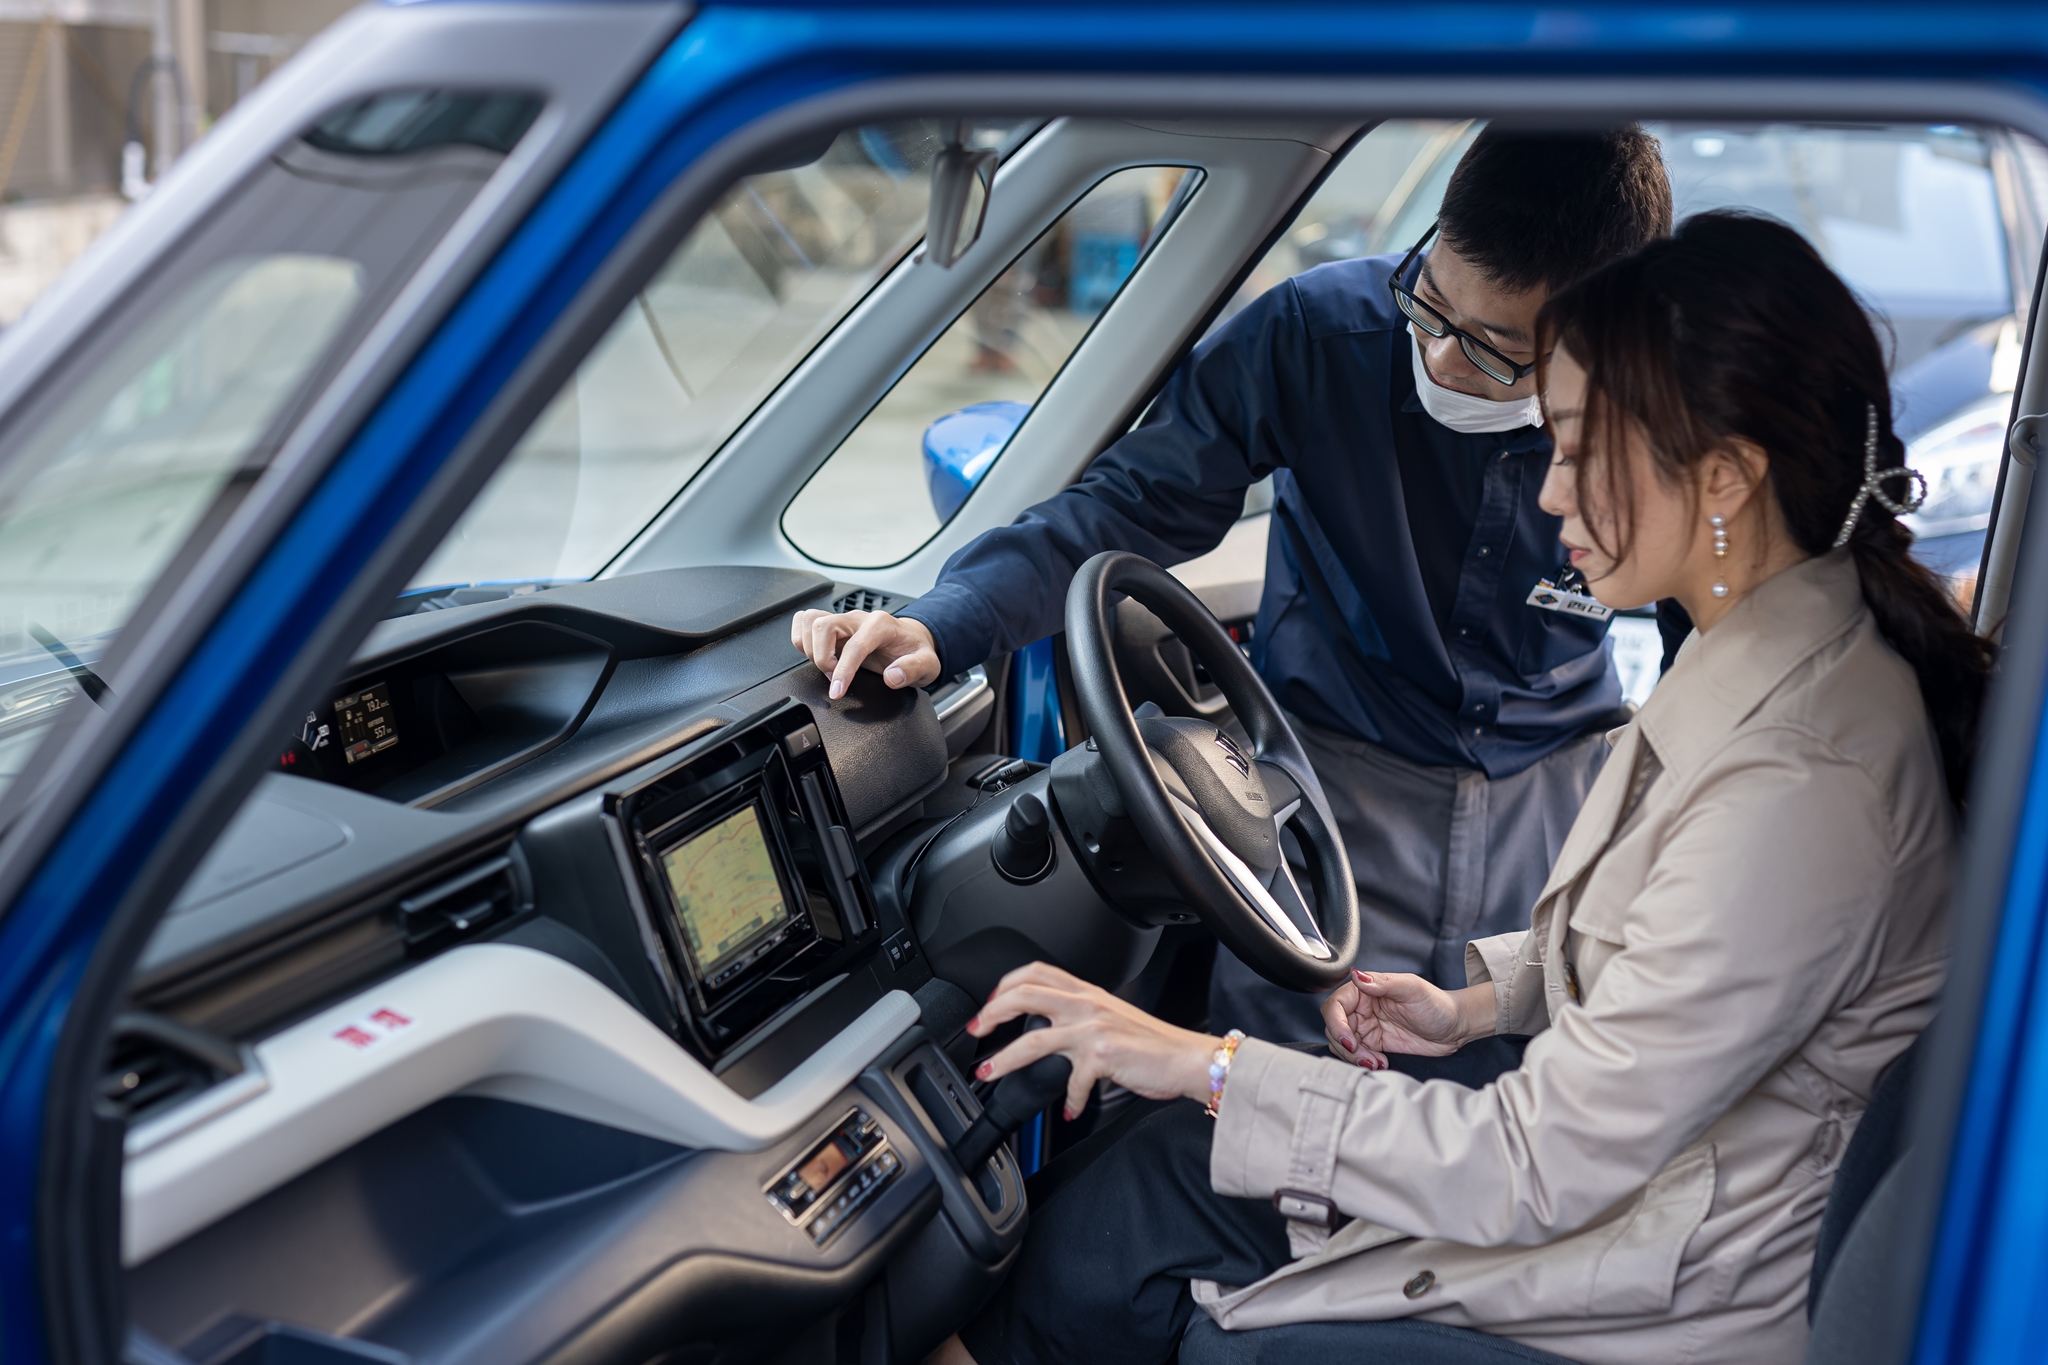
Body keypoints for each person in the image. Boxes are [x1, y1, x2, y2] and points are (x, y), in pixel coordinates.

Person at [924, 211, 1992, 1365]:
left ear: (1724, 476)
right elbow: (1689, 945)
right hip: (1644, 1202)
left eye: (1578, 450)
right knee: (1150, 1182)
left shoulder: (1801, 781)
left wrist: (1198, 1060)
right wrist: (1474, 1007)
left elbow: (1535, 1162)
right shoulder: (1784, 650)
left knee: (1137, 1251)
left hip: (1663, 1287)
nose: (1549, 493)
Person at [792, 126, 1674, 1042]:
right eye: (1430, 303)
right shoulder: (1319, 336)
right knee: (1277, 1078)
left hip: (1556, 801)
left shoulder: (1669, 414)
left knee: (1527, 1073)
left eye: (1494, 350)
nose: (1442, 360)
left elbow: (1722, 638)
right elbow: (1130, 501)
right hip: (1330, 790)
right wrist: (947, 621)